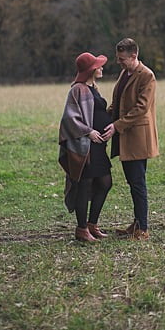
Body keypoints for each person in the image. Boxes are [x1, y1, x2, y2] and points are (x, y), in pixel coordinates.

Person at [102, 38, 158, 241]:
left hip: (137, 138)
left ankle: (142, 229)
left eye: (122, 59)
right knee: (132, 181)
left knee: (137, 182)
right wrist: (102, 117)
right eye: (118, 59)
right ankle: (137, 223)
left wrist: (116, 126)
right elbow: (117, 103)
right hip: (125, 136)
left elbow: (141, 108)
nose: (119, 62)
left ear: (134, 56)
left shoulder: (147, 76)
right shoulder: (124, 73)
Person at [58, 52, 114, 242]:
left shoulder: (93, 88)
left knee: (105, 183)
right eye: (98, 66)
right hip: (85, 146)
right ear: (91, 70)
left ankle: (92, 225)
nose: (102, 68)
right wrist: (88, 131)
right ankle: (82, 229)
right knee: (84, 185)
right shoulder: (78, 90)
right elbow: (69, 118)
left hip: (98, 146)